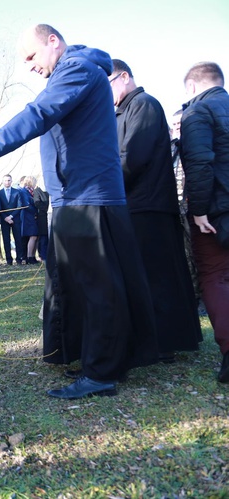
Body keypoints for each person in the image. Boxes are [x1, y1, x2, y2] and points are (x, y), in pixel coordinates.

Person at [0, 24, 158, 399]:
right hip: (72, 199)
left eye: (31, 56)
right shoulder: (72, 73)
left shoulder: (77, 70)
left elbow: (36, 116)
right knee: (76, 286)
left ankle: (102, 373)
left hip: (87, 199)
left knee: (97, 287)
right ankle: (91, 356)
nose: (28, 66)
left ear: (53, 42)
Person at [110, 58, 202, 361]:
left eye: (107, 84)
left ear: (124, 77)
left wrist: (103, 184)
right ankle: (152, 339)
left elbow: (133, 157)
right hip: (134, 205)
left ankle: (165, 342)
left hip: (150, 206)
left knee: (159, 277)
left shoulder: (144, 105)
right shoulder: (121, 111)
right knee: (145, 277)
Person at [179, 61, 229, 381]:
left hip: (216, 212)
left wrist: (198, 211)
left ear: (192, 87)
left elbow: (199, 164)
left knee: (216, 277)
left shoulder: (197, 113)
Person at [0, 174, 24, 264]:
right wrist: (5, 218)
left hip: (15, 219)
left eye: (9, 180)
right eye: (5, 180)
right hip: (4, 220)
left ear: (11, 181)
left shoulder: (17, 192)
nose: (7, 182)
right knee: (6, 239)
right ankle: (9, 259)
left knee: (18, 239)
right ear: (2, 181)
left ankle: (19, 258)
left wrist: (11, 216)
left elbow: (19, 206)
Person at [19, 176, 39, 264]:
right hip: (28, 216)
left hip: (32, 216)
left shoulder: (31, 191)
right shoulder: (23, 191)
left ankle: (32, 256)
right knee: (33, 236)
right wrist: (35, 211)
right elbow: (26, 205)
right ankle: (29, 256)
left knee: (35, 236)